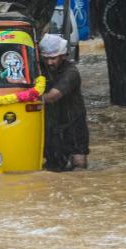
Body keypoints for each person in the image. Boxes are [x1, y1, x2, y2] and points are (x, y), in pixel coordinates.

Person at [39, 33, 89, 171]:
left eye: (53, 58)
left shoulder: (71, 72)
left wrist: (28, 99)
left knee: (79, 162)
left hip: (74, 124)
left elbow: (53, 96)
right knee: (52, 165)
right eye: (46, 58)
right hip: (53, 125)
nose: (50, 62)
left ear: (63, 55)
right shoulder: (41, 69)